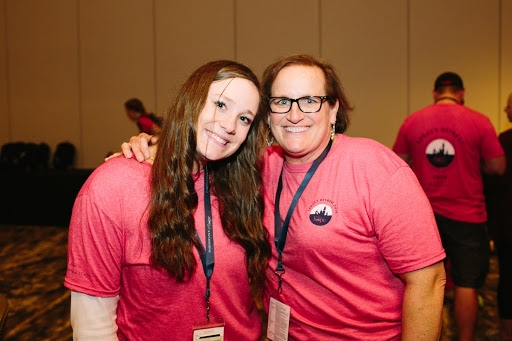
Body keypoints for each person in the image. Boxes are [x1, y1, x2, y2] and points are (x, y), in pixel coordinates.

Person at [123, 54, 446, 340]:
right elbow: (197, 159)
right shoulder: (254, 167)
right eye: (281, 101)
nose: (294, 115)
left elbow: (428, 282)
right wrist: (155, 145)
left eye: (310, 101)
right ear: (266, 114)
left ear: (333, 109)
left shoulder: (374, 168)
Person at [65, 60, 271, 340]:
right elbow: (93, 327)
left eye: (245, 118)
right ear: (191, 101)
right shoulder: (113, 185)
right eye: (221, 104)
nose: (229, 125)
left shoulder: (246, 185)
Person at [393, 72, 506, 341]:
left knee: (422, 283)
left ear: (434, 93)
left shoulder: (413, 121)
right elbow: (498, 166)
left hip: (424, 215)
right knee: (467, 284)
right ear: (461, 92)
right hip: (468, 216)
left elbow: (398, 163)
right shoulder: (479, 121)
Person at [487, 92, 512, 340]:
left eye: (509, 106)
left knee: (507, 281)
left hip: (507, 225)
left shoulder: (504, 141)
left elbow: (493, 181)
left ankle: (507, 332)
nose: (506, 110)